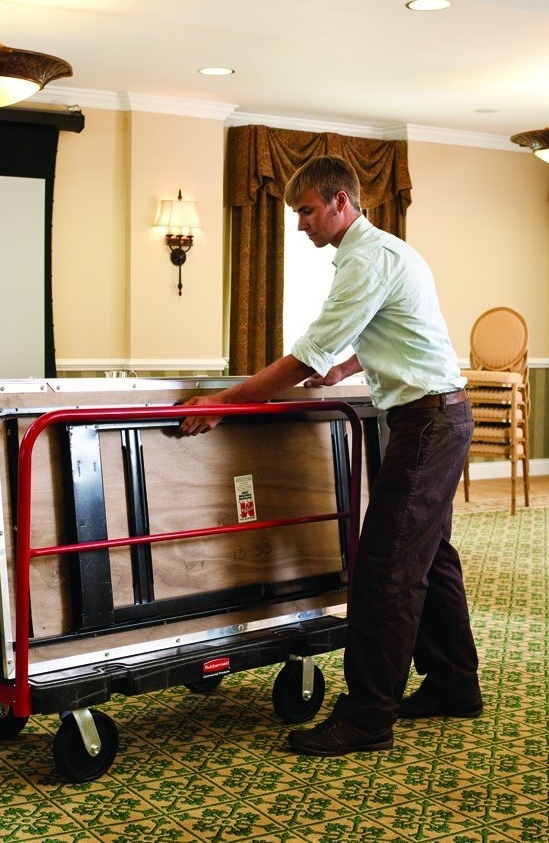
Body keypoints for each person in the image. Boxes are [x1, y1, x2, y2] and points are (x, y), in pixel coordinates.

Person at [179, 155, 481, 757]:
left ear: (342, 202)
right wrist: (346, 368)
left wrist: (226, 402)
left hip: (428, 423)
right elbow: (394, 330)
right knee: (430, 556)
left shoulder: (368, 258)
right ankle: (453, 683)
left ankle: (368, 717)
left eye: (307, 211)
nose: (300, 225)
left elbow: (307, 353)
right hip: (434, 417)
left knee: (386, 569)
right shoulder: (382, 252)